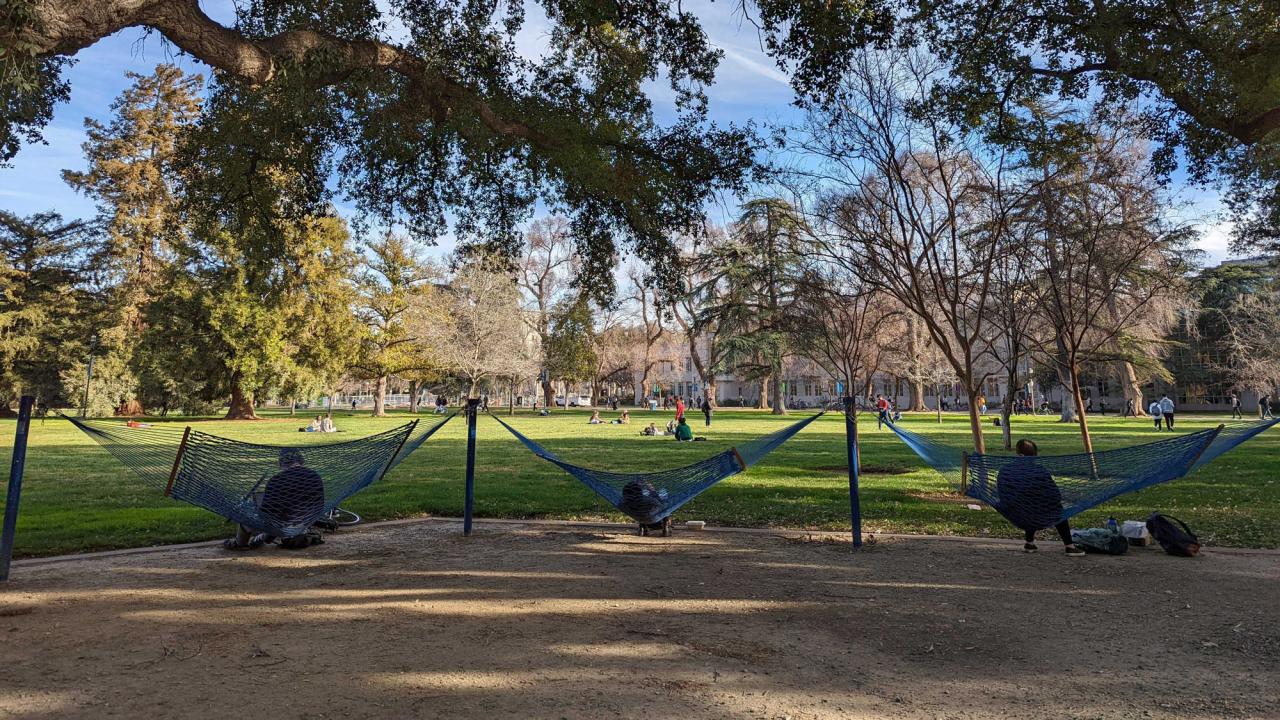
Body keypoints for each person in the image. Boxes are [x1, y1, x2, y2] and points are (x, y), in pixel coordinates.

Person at [995, 439, 1085, 556]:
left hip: (1013, 511)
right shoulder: (1039, 471)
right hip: (1034, 511)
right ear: (1034, 455)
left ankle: (1030, 543)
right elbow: (1055, 495)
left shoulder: (1005, 470)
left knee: (1032, 504)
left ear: (1018, 454)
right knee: (1056, 509)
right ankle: (1069, 546)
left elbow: (1002, 492)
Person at [225, 448, 325, 550]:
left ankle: (240, 544)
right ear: (300, 460)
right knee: (280, 519)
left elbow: (268, 513)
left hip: (283, 523)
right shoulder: (315, 476)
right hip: (307, 521)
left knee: (246, 513)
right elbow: (320, 505)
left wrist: (250, 508)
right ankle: (264, 537)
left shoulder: (276, 480)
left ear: (281, 462)